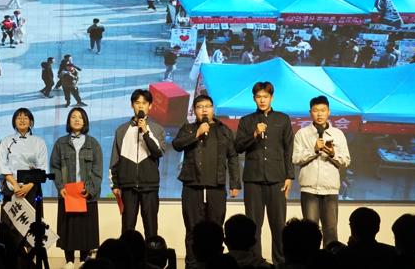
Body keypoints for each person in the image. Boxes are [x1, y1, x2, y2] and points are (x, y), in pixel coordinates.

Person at [172, 95, 241, 268]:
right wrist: (196, 134)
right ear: (194, 110)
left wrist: (235, 183)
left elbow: (233, 157)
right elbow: (176, 145)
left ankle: (216, 264)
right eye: (200, 107)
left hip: (216, 187)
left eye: (208, 106)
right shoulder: (188, 128)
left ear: (213, 109)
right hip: (192, 186)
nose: (204, 110)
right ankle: (192, 264)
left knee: (216, 229)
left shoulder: (224, 130)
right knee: (192, 229)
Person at [235, 81, 294, 265]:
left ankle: (280, 262)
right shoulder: (246, 121)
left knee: (279, 225)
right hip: (253, 178)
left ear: (271, 98)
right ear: (254, 99)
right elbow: (238, 146)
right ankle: (255, 262)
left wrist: (289, 176)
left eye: (265, 97)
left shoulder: (283, 119)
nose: (262, 100)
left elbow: (288, 149)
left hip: (277, 178)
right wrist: (254, 134)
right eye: (259, 97)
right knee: (253, 225)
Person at [292, 95, 351, 248]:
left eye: (323, 110)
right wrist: (314, 150)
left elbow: (346, 160)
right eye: (316, 110)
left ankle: (330, 259)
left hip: (330, 189)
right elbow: (295, 159)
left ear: (328, 112)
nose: (319, 114)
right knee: (310, 232)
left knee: (330, 231)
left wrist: (332, 154)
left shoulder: (338, 134)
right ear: (310, 112)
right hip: (309, 189)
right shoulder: (302, 134)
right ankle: (310, 259)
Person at [51, 107, 103, 268]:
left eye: (80, 117)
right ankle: (69, 260)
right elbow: (55, 167)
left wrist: (90, 189)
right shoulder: (61, 143)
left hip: (86, 194)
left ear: (85, 121)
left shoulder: (93, 144)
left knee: (85, 229)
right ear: (69, 121)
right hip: (68, 193)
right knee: (69, 228)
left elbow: (97, 170)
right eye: (73, 117)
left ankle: (84, 260)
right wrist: (60, 187)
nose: (77, 119)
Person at [110, 89, 166, 238]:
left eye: (144, 103)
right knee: (127, 229)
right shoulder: (122, 130)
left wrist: (146, 132)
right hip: (128, 186)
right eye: (137, 103)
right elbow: (115, 158)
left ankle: (152, 253)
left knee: (151, 229)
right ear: (132, 105)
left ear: (150, 106)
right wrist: (114, 184)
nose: (140, 106)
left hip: (150, 186)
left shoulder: (157, 129)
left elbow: (158, 152)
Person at [0, 108, 48, 209]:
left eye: (25, 118)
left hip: (32, 188)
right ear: (14, 122)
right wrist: (15, 185)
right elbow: (2, 165)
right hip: (11, 187)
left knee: (33, 218)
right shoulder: (6, 141)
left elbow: (43, 167)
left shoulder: (39, 142)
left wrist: (29, 186)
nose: (22, 120)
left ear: (31, 122)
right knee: (8, 219)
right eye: (19, 118)